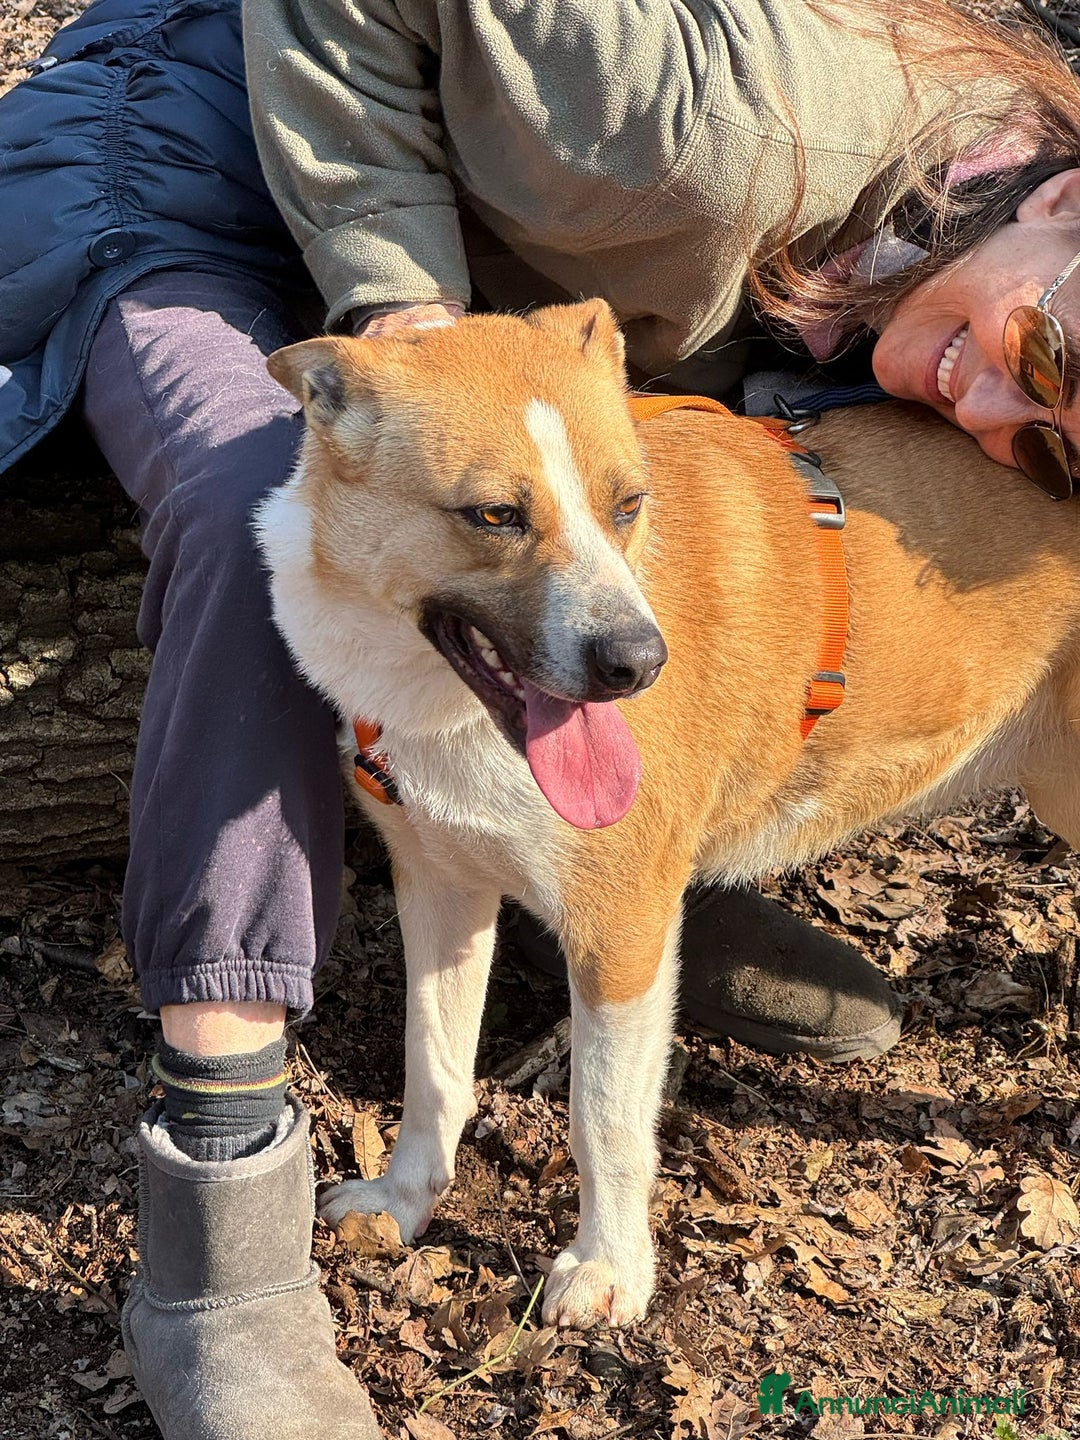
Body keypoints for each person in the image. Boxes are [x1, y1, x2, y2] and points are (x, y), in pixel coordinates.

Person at [2, 0, 1080, 1434]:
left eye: (1054, 440)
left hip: (409, 232)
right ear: (1065, 195)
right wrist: (401, 310)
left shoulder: (943, 264)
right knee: (246, 501)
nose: (1009, 405)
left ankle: (651, 847)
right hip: (184, 158)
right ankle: (222, 1177)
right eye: (1060, 356)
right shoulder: (711, 136)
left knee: (588, 529)